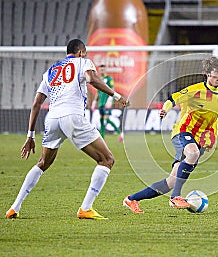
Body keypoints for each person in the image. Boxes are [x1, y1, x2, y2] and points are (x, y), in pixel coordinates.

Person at [5, 39, 129, 220]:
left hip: (52, 119)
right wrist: (117, 96)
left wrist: (30, 135)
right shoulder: (82, 62)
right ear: (81, 52)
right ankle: (86, 208)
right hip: (72, 117)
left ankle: (14, 207)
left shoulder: (51, 71)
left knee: (42, 163)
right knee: (107, 159)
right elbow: (92, 79)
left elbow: (37, 103)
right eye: (84, 53)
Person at [123, 56, 218, 213]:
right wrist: (165, 110)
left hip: (202, 140)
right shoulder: (195, 90)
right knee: (192, 153)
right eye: (216, 72)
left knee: (171, 181)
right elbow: (172, 99)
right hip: (183, 131)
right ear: (208, 73)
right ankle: (176, 198)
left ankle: (132, 199)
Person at [92, 64, 124, 141]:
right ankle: (102, 138)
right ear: (98, 70)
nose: (101, 71)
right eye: (100, 69)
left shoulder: (109, 79)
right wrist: (94, 102)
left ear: (105, 70)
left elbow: (112, 89)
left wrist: (110, 100)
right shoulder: (98, 79)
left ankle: (120, 133)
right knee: (102, 120)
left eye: (103, 69)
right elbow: (98, 92)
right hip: (100, 103)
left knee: (107, 119)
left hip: (106, 103)